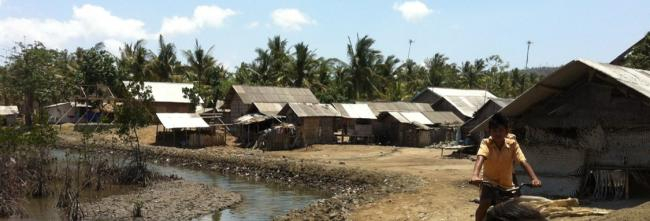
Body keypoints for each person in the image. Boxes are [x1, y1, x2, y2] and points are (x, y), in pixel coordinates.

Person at [470, 113, 542, 221]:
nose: (497, 133)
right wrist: (475, 175)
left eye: (500, 130)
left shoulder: (512, 144)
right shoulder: (486, 143)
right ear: (490, 131)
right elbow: (481, 157)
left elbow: (523, 161)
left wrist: (534, 178)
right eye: (494, 130)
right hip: (489, 183)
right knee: (484, 203)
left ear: (506, 131)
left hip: (507, 185)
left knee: (513, 209)